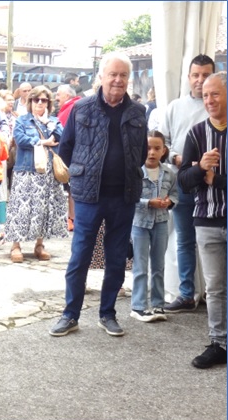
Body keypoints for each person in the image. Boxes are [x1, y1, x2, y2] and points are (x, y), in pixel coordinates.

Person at [50, 52, 147, 337]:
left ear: (128, 80)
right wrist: (80, 177)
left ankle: (107, 314)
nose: (118, 80)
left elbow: (140, 154)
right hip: (88, 196)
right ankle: (70, 314)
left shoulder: (138, 112)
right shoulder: (82, 108)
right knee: (80, 256)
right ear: (102, 77)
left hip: (124, 196)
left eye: (123, 75)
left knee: (116, 258)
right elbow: (65, 149)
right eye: (113, 74)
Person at [177, 72, 226, 369]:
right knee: (216, 287)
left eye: (215, 94)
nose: (209, 100)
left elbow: (209, 180)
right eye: (206, 95)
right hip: (206, 221)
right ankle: (219, 343)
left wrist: (214, 178)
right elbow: (184, 182)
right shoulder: (196, 134)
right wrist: (200, 170)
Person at [160, 54, 215, 313]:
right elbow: (163, 144)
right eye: (196, 75)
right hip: (182, 181)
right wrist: (179, 158)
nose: (200, 80)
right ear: (189, 77)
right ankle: (186, 294)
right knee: (184, 239)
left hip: (214, 184)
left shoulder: (217, 105)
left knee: (215, 239)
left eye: (206, 75)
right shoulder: (174, 107)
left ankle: (214, 295)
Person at [5, 86, 67, 263]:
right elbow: (20, 139)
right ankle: (16, 246)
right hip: (26, 171)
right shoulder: (23, 120)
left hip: (47, 172)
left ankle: (39, 245)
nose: (40, 103)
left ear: (49, 103)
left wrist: (48, 124)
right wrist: (41, 142)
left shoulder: (54, 121)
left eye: (44, 100)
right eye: (36, 100)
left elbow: (62, 136)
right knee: (20, 208)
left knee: (44, 209)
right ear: (30, 102)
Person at [130, 130, 178, 322]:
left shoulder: (169, 172)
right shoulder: (135, 170)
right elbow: (130, 198)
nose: (152, 152)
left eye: (156, 148)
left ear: (164, 150)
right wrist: (148, 202)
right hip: (140, 223)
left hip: (161, 222)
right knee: (141, 266)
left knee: (158, 265)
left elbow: (175, 195)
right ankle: (139, 306)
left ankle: (158, 304)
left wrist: (169, 202)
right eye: (148, 148)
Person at [55, 84, 81, 231]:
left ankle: (73, 218)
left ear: (67, 95)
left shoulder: (72, 108)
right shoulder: (74, 106)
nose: (56, 97)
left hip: (73, 158)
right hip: (75, 157)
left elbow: (65, 138)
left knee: (72, 188)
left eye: (59, 94)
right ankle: (72, 218)